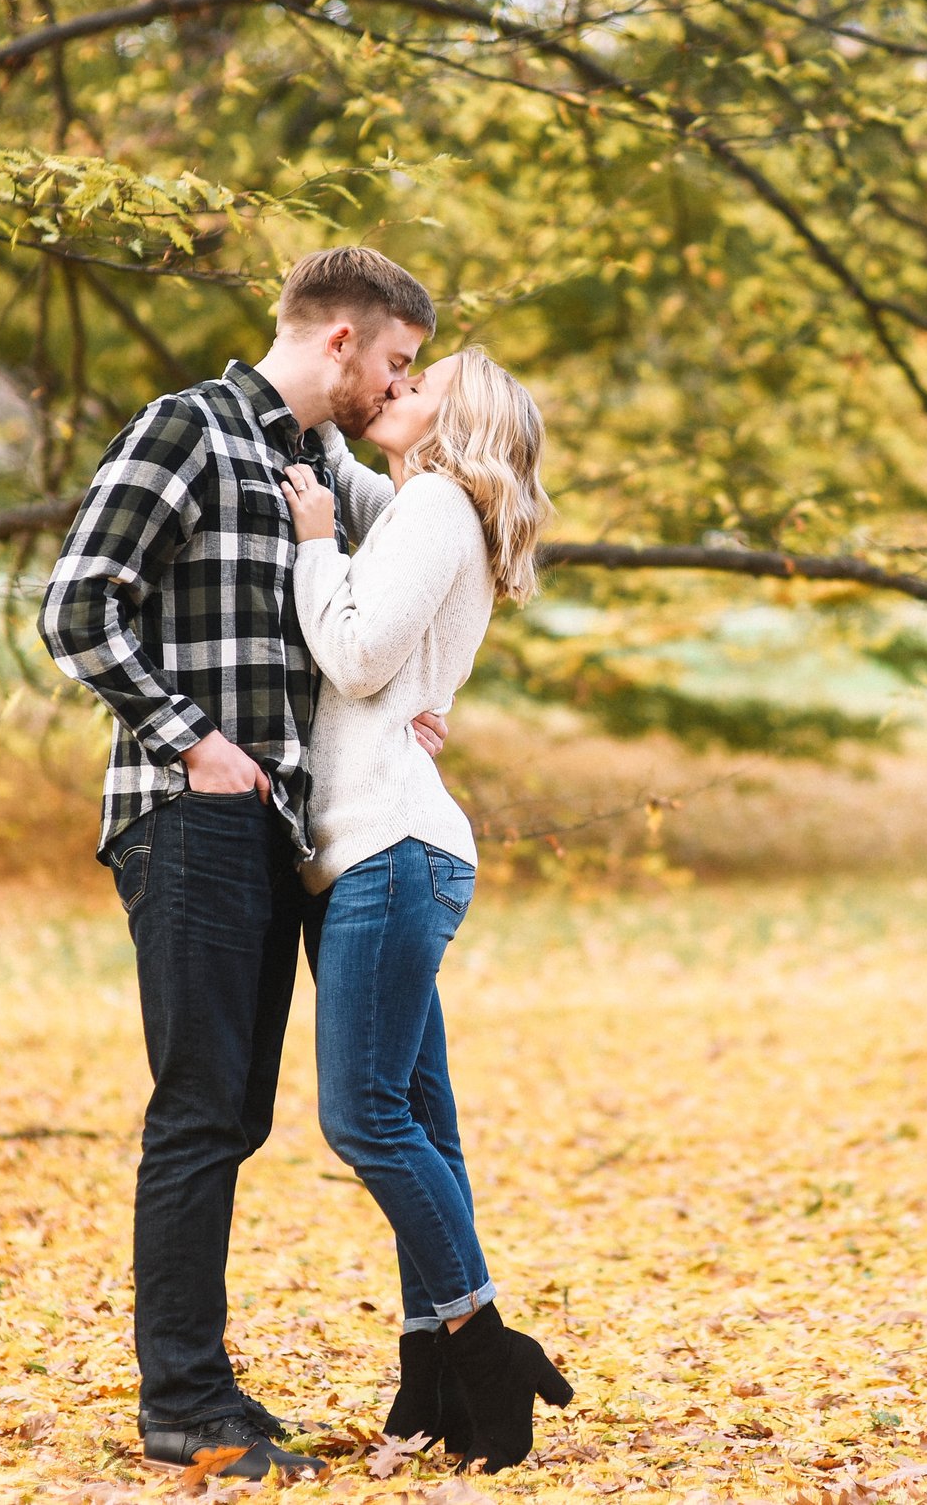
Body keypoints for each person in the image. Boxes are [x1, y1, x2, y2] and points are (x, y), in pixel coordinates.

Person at [38, 247, 448, 1481]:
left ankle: (210, 1388)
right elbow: (74, 604)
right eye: (397, 361)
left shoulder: (320, 465)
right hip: (189, 811)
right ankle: (184, 1403)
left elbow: (383, 607)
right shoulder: (189, 430)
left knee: (238, 1113)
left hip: (281, 825)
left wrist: (418, 699)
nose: (398, 384)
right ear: (340, 342)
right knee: (203, 1109)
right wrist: (193, 741)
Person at [279, 344, 574, 1472]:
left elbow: (353, 655)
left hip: (390, 852)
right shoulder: (423, 505)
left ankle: (482, 1340)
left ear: (464, 424)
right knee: (419, 1122)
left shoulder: (439, 505)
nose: (396, 389)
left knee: (360, 1116)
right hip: (386, 848)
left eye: (421, 385)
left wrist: (312, 547)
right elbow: (389, 657)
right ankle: (430, 1367)